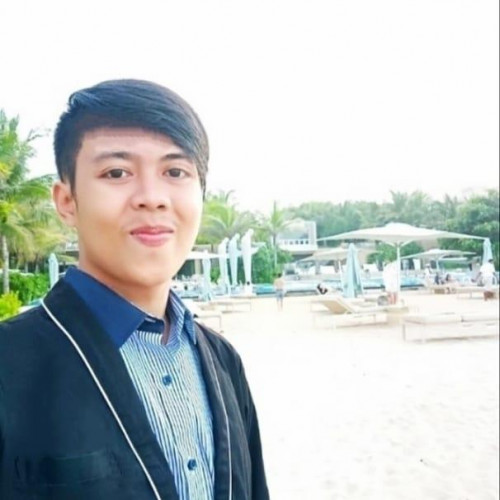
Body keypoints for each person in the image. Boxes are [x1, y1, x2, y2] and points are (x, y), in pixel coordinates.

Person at [0, 80, 269, 499]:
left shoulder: (223, 361)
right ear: (67, 201)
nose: (152, 198)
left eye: (175, 172)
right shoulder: (9, 365)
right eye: (116, 173)